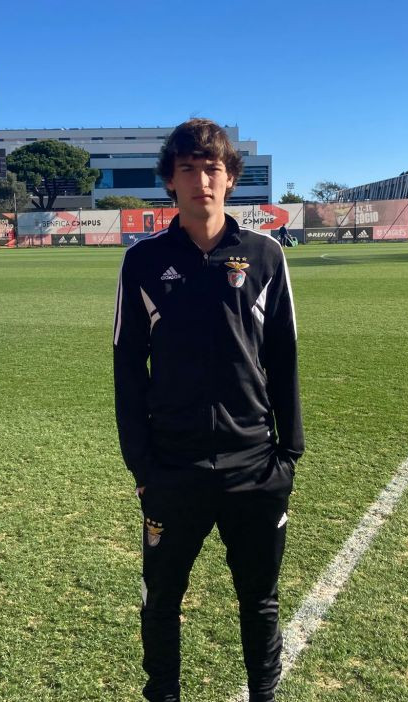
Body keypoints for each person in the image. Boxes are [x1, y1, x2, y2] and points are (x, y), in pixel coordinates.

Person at [113, 118, 304, 702]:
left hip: (255, 465)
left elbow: (284, 357)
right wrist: (142, 466)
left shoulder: (264, 254)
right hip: (174, 467)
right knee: (161, 600)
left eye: (212, 169)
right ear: (170, 181)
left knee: (260, 599)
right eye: (188, 169)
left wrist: (288, 455)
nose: (202, 181)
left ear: (231, 178)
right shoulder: (143, 262)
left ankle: (264, 694)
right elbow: (127, 367)